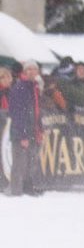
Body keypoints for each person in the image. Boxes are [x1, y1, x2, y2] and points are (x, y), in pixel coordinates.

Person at [7, 61, 42, 196]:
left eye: (34, 69)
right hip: (22, 131)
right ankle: (16, 190)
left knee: (31, 162)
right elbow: (17, 113)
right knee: (19, 163)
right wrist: (22, 134)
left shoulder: (35, 88)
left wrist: (40, 129)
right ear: (24, 71)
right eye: (29, 69)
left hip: (33, 130)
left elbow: (37, 111)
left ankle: (28, 188)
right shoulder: (20, 88)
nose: (32, 72)